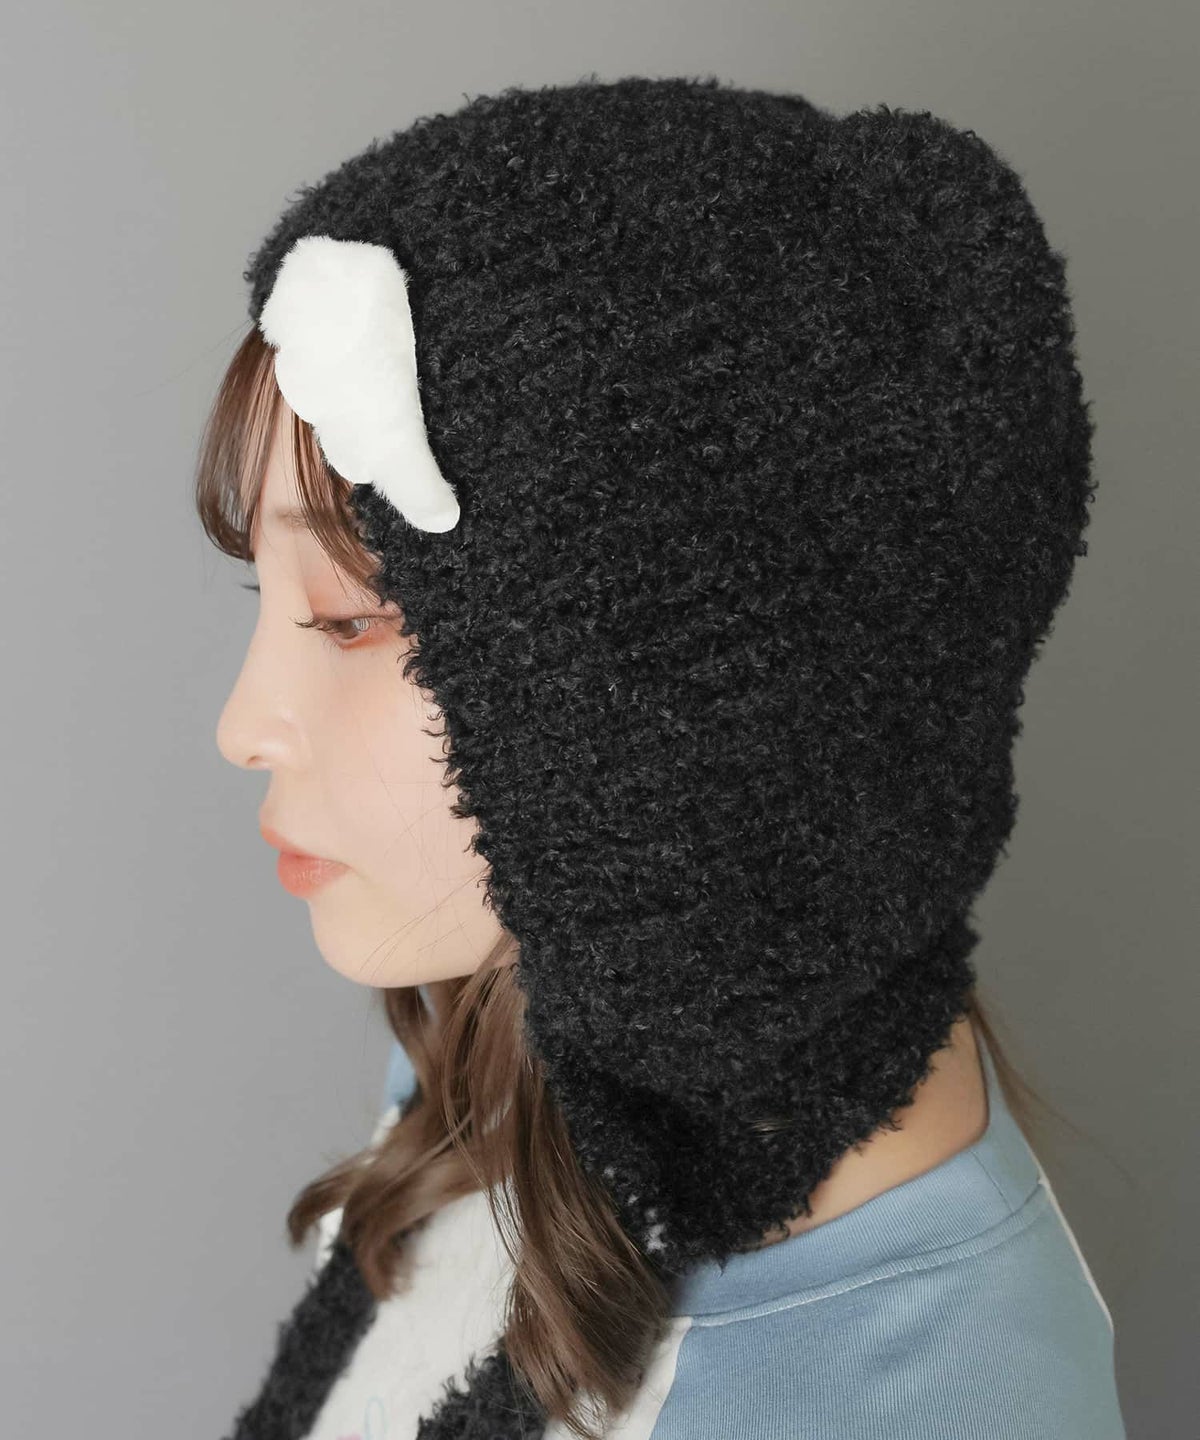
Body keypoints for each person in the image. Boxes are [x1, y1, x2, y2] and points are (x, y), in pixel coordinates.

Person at [199, 75, 1127, 1439]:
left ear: (676, 693)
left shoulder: (894, 1408)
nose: (242, 725)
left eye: (350, 618)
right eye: (262, 593)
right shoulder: (520, 1044)